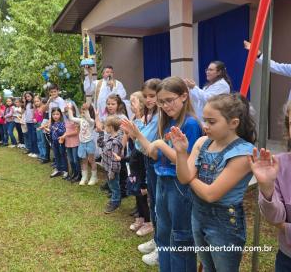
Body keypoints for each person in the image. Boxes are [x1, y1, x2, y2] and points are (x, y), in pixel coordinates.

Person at [122, 76, 203, 272]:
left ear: (184, 96)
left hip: (179, 186)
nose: (165, 106)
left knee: (180, 237)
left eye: (170, 100)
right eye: (161, 102)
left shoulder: (191, 124)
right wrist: (137, 134)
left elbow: (187, 162)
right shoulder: (167, 122)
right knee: (164, 234)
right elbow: (152, 152)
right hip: (162, 182)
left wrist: (159, 144)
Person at [170, 93, 256, 272]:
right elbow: (183, 177)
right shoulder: (203, 142)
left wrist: (191, 177)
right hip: (198, 214)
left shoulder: (244, 153)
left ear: (233, 123)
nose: (205, 126)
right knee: (209, 268)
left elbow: (211, 194)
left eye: (211, 122)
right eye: (205, 120)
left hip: (225, 222)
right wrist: (180, 152)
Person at [250, 101, 291, 272]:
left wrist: (285, 228)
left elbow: (282, 225)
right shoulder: (279, 164)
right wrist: (267, 188)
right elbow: (276, 218)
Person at [136, 78, 161, 266]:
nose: (148, 100)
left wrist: (137, 134)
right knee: (153, 203)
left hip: (158, 163)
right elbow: (140, 144)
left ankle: (162, 246)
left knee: (159, 206)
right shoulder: (150, 114)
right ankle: (157, 239)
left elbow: (147, 142)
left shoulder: (160, 116)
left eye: (152, 96)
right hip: (150, 163)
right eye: (145, 96)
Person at [125, 91, 153, 237]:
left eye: (133, 102)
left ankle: (149, 222)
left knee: (143, 193)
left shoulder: (146, 119)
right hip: (134, 160)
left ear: (142, 104)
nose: (131, 105)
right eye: (130, 102)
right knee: (136, 191)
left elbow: (142, 139)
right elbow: (132, 139)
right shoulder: (134, 118)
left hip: (142, 161)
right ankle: (140, 218)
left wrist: (133, 131)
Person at [98, 115, 123, 214]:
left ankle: (115, 201)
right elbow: (101, 145)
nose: (104, 128)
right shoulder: (109, 137)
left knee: (114, 185)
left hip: (112, 169)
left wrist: (112, 172)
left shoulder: (116, 142)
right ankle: (114, 197)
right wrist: (100, 134)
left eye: (106, 126)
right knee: (111, 184)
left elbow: (115, 159)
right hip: (107, 167)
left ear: (111, 127)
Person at [67, 102, 97, 185]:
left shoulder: (91, 121)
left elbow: (88, 118)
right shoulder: (80, 120)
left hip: (89, 143)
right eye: (82, 110)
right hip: (82, 143)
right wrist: (69, 108)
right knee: (83, 161)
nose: (82, 112)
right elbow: (71, 118)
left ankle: (94, 177)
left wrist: (86, 109)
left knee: (91, 160)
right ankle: (84, 177)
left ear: (89, 111)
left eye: (84, 110)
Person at [60, 102, 81, 181]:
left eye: (68, 110)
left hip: (75, 142)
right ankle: (73, 173)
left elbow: (76, 132)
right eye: (65, 111)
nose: (66, 113)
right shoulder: (66, 120)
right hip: (68, 142)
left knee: (76, 160)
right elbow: (67, 130)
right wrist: (63, 136)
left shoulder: (76, 120)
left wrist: (66, 135)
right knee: (71, 160)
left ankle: (79, 175)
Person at [49, 107, 68, 178]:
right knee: (56, 156)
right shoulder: (52, 123)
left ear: (60, 115)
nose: (55, 116)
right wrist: (48, 130)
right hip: (54, 142)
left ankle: (65, 171)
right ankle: (58, 169)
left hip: (61, 142)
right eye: (53, 114)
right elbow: (51, 132)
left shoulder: (62, 123)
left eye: (57, 114)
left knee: (62, 156)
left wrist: (56, 129)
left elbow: (63, 132)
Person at [23, 92, 39, 157]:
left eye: (28, 96)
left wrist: (34, 119)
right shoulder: (27, 104)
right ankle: (32, 151)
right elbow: (25, 112)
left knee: (34, 138)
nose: (27, 98)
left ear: (32, 96)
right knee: (30, 137)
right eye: (26, 97)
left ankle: (36, 152)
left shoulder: (33, 104)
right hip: (28, 122)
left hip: (33, 123)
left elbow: (36, 112)